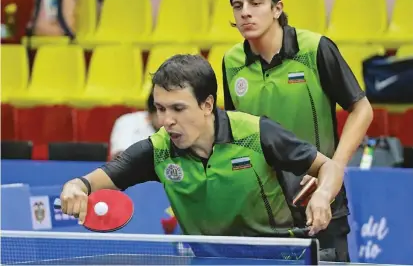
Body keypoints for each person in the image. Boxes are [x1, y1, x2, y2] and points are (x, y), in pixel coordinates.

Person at [59, 54, 345, 244]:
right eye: (160, 109)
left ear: (207, 105)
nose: (167, 120)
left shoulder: (255, 133)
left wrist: (322, 195)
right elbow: (93, 181)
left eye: (178, 109)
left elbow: (328, 167)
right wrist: (76, 186)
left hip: (274, 255)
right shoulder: (158, 150)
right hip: (208, 259)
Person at [221, 0, 374, 261]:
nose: (245, 13)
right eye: (238, 6)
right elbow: (236, 131)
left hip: (316, 195)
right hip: (262, 205)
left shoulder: (314, 49)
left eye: (256, 2)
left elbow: (362, 109)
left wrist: (334, 172)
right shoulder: (231, 62)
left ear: (277, 8)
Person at [109, 91, 160, 159]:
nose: (168, 120)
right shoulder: (128, 121)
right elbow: (121, 158)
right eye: (162, 114)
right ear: (150, 114)